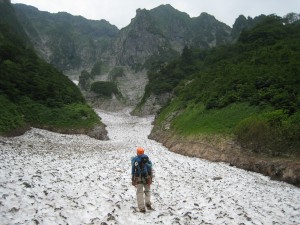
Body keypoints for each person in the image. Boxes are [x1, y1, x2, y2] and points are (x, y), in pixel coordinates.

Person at [131, 147, 154, 213]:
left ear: (137, 152)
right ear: (143, 152)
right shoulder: (146, 157)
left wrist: (133, 177)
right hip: (147, 177)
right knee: (147, 191)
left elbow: (133, 169)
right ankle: (148, 204)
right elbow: (150, 166)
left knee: (139, 192)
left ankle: (141, 208)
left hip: (139, 177)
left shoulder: (135, 159)